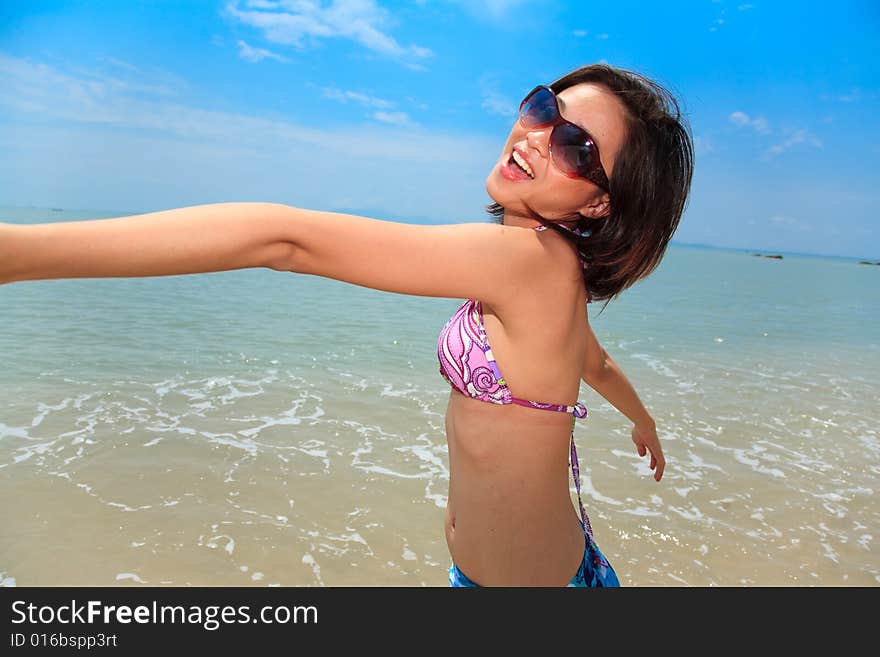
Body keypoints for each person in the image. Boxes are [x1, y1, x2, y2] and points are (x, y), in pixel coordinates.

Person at [0, 62, 694, 587]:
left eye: (575, 145)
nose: (537, 135)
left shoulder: (528, 262)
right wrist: (643, 420)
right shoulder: (553, 271)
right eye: (544, 106)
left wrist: (19, 253)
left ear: (600, 203)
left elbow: (283, 240)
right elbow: (593, 362)